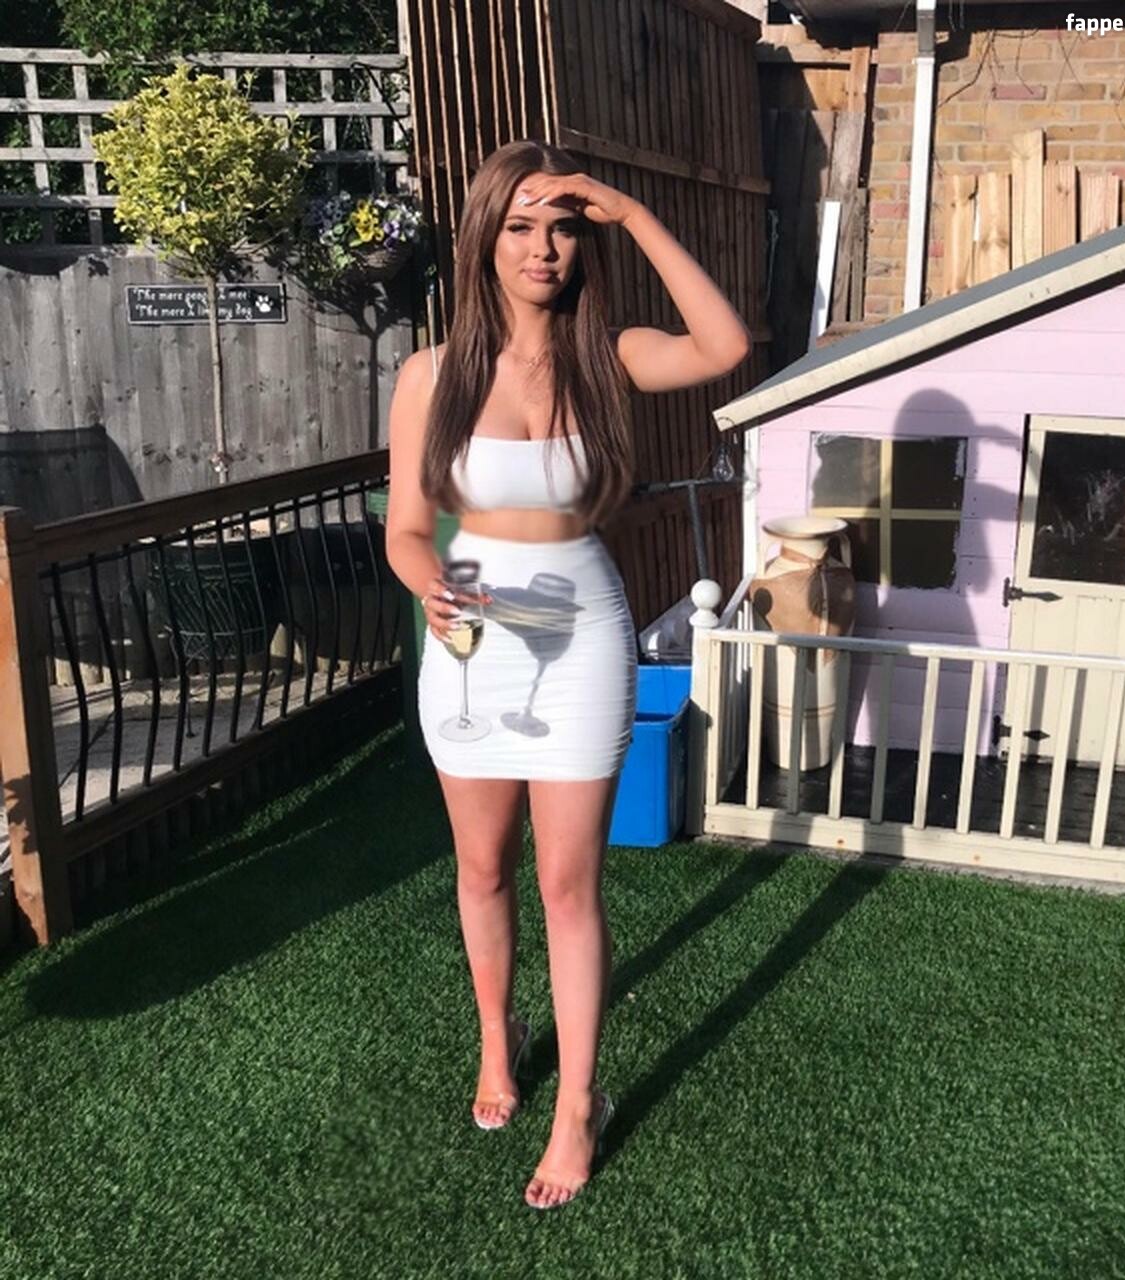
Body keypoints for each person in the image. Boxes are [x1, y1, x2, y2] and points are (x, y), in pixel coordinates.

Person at [385, 139, 750, 1210]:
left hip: (582, 626)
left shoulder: (611, 357)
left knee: (566, 881)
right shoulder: (430, 376)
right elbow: (407, 527)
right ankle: (497, 1042)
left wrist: (629, 212)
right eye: (519, 226)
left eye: (561, 227)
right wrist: (427, 585)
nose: (541, 247)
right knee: (481, 866)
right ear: (483, 240)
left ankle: (577, 1102)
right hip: (468, 633)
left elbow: (724, 344)